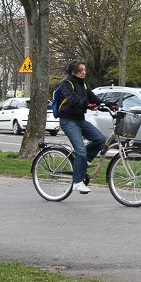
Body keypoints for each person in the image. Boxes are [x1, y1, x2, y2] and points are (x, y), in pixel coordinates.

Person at [56, 59, 107, 194]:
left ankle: (83, 163)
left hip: (80, 120)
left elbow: (93, 97)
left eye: (84, 70)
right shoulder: (66, 83)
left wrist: (107, 105)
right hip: (68, 121)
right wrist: (87, 105)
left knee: (100, 139)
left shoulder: (83, 84)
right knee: (80, 150)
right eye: (81, 70)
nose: (84, 72)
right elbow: (73, 100)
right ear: (73, 72)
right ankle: (77, 182)